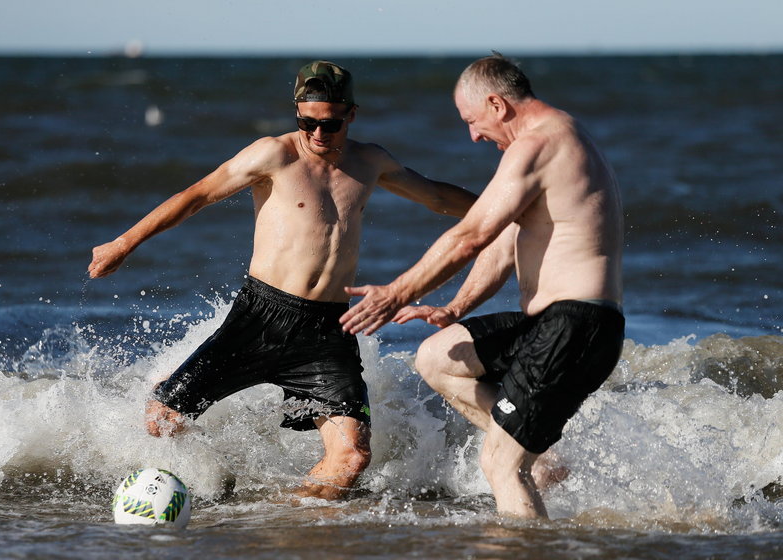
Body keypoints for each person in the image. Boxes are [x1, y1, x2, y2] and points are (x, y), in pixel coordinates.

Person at [87, 60, 477, 500]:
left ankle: (290, 523)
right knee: (162, 422)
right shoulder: (274, 154)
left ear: (351, 114)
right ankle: (195, 469)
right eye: (306, 122)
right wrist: (123, 244)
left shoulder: (370, 162)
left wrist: (508, 210)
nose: (317, 134)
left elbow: (439, 197)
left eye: (328, 124)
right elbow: (195, 197)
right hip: (262, 316)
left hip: (328, 330)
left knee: (352, 458)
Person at [339, 53, 625, 517]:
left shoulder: (537, 146)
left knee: (499, 464)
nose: (473, 135)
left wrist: (395, 293)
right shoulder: (558, 139)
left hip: (574, 326)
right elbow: (501, 242)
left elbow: (470, 236)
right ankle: (540, 455)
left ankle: (525, 522)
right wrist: (454, 308)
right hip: (559, 324)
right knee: (437, 355)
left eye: (472, 121)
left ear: (497, 104)